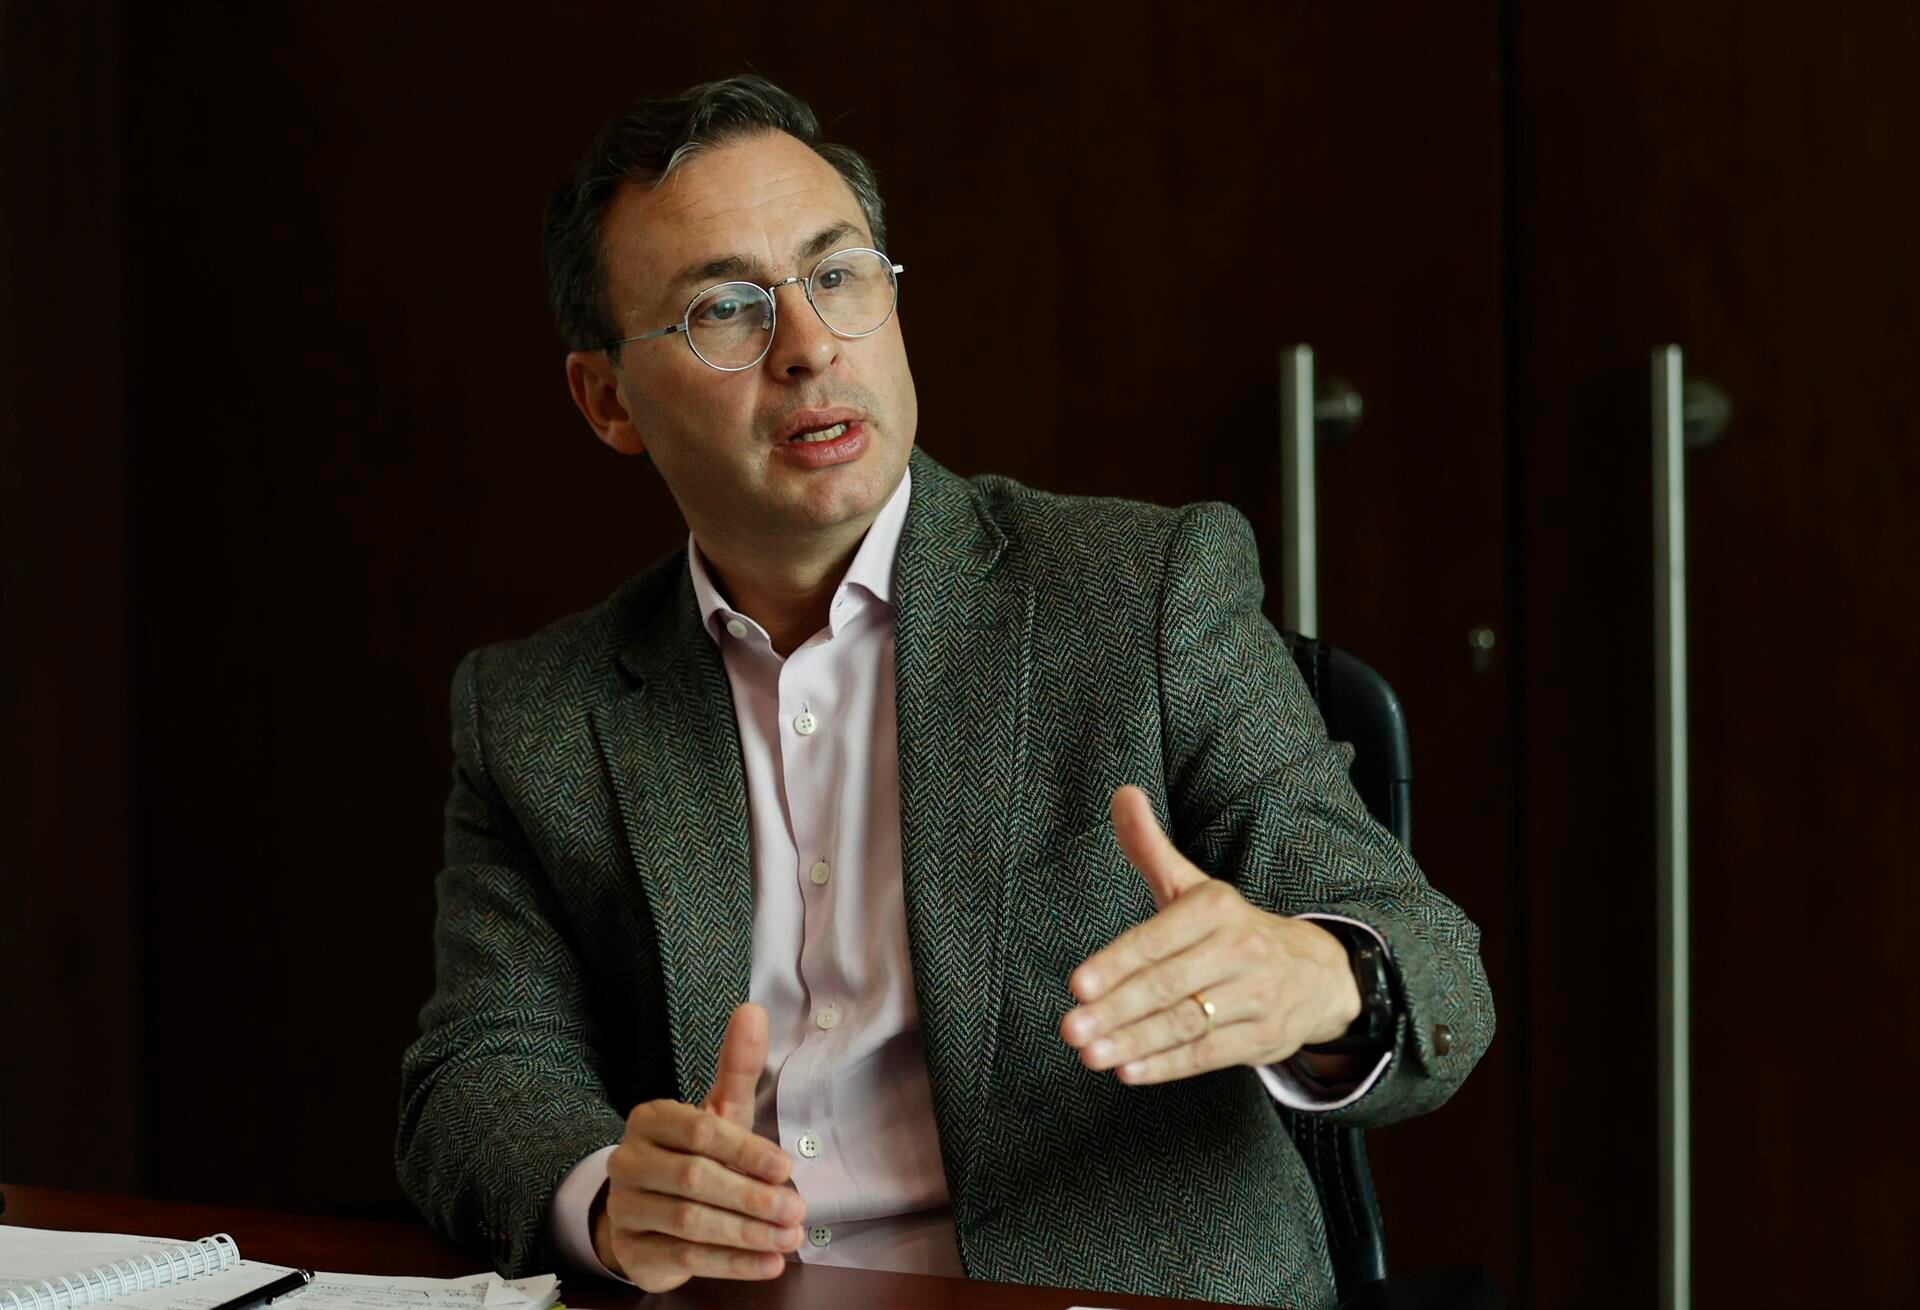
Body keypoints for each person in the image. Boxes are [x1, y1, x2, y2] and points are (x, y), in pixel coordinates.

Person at [396, 75, 1494, 1310]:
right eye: (725, 309)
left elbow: (1435, 967)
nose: (808, 345)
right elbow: (479, 1071)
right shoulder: (540, 709)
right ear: (607, 401)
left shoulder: (1139, 593)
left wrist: (1316, 975)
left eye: (841, 275)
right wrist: (605, 1194)